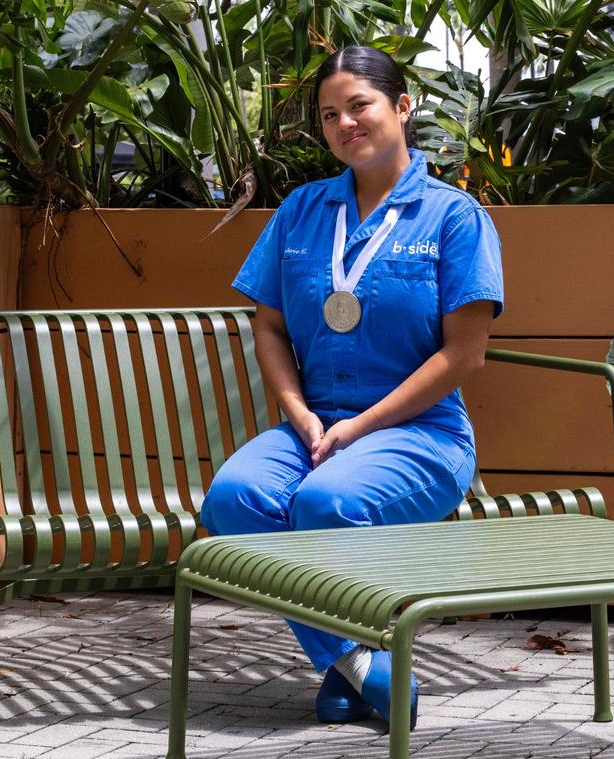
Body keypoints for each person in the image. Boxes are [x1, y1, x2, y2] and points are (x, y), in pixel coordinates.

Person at [199, 45, 504, 729]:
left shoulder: (454, 217)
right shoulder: (303, 210)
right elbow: (269, 326)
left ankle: (349, 668)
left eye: (359, 105)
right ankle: (363, 663)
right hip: (316, 426)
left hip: (418, 433)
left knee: (327, 501)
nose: (344, 124)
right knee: (235, 499)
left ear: (401, 106)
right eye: (330, 114)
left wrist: (360, 428)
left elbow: (465, 355)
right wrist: (300, 413)